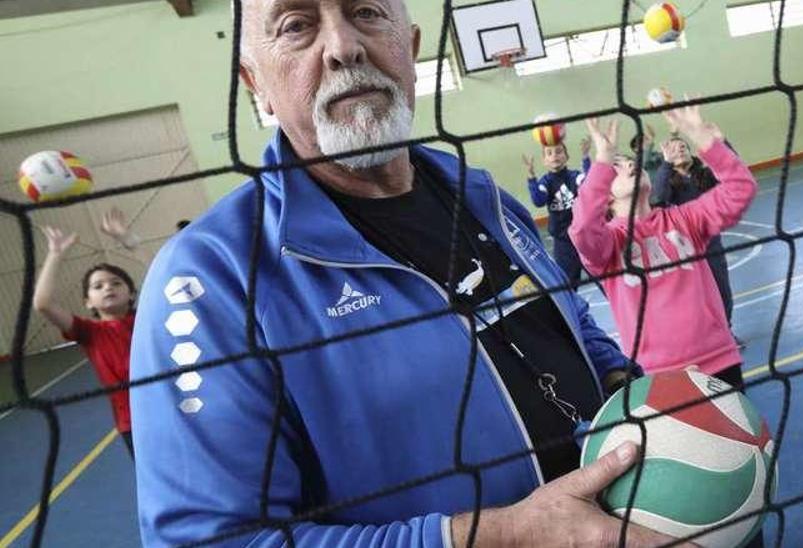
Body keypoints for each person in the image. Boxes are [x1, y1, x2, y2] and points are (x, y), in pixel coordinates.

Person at [129, 0, 677, 546]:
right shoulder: (210, 278)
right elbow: (210, 541)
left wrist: (621, 384)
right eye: (297, 26)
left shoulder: (483, 197)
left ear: (410, 48)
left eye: (365, 11)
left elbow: (570, 319)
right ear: (255, 83)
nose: (344, 46)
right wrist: (505, 536)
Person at [570, 105, 758, 388]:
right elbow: (582, 229)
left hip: (719, 359)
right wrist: (603, 161)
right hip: (658, 371)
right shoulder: (608, 244)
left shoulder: (684, 218)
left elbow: (741, 190)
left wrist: (702, 139)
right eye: (617, 168)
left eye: (629, 161)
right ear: (605, 196)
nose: (631, 164)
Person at [33, 207, 140, 458]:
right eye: (98, 286)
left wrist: (129, 241)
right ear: (88, 302)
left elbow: (168, 278)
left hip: (176, 407)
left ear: (131, 293)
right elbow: (43, 303)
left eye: (116, 283)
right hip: (134, 423)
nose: (108, 288)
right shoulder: (90, 332)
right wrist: (55, 254)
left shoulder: (146, 317)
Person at [651, 129, 744, 347]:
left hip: (711, 244)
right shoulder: (668, 182)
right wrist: (666, 165)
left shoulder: (705, 175)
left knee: (722, 291)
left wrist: (723, 142)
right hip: (683, 251)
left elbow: (733, 170)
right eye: (673, 149)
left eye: (682, 146)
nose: (679, 150)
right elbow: (657, 199)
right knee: (690, 299)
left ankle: (726, 331)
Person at [524, 138, 590, 286]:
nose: (554, 156)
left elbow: (589, 182)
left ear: (566, 156)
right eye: (549, 153)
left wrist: (586, 158)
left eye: (559, 152)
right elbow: (538, 200)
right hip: (563, 243)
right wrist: (531, 177)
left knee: (601, 275)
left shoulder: (575, 177)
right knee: (568, 284)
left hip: (584, 237)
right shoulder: (545, 182)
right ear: (544, 161)